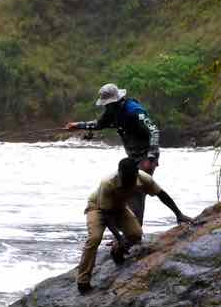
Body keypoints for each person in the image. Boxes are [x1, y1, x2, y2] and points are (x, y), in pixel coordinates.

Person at [77, 157, 191, 294]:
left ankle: (116, 251)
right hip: (97, 208)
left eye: (130, 180)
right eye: (124, 179)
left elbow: (162, 195)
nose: (127, 183)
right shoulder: (107, 182)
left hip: (120, 208)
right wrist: (119, 238)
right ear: (119, 173)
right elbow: (106, 216)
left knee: (136, 235)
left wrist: (178, 214)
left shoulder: (143, 178)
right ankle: (83, 281)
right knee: (94, 238)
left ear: (136, 174)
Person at [66, 83, 161, 222]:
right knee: (124, 190)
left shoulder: (135, 111)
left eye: (108, 104)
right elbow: (99, 124)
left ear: (118, 100)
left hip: (146, 156)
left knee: (136, 192)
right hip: (132, 158)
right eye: (106, 104)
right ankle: (129, 231)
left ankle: (134, 234)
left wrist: (151, 157)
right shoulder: (112, 111)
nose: (106, 107)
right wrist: (78, 125)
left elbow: (154, 131)